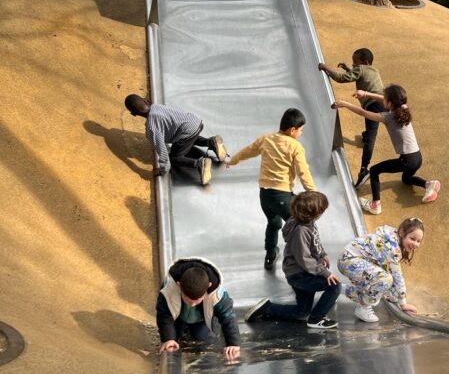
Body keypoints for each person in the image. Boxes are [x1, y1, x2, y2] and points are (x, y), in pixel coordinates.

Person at [226, 108, 315, 270]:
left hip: (265, 196)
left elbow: (248, 151)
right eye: (301, 130)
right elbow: (303, 171)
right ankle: (301, 259)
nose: (301, 134)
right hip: (282, 196)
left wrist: (233, 161)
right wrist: (312, 192)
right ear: (292, 130)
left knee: (273, 223)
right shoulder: (295, 146)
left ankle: (270, 255)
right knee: (300, 225)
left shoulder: (266, 139)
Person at [333, 84, 441, 214]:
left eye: (385, 98)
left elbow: (363, 113)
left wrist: (344, 104)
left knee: (374, 170)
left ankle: (375, 204)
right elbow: (384, 99)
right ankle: (428, 184)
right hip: (417, 157)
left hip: (406, 160)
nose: (382, 99)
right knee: (406, 179)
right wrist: (366, 94)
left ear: (389, 103)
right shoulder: (404, 108)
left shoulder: (387, 117)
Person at [245, 191, 341, 331]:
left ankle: (267, 308)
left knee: (302, 313)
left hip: (304, 272)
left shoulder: (308, 222)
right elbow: (304, 259)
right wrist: (324, 272)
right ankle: (316, 319)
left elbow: (314, 242)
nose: (322, 214)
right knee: (334, 286)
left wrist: (322, 254)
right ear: (313, 213)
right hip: (300, 275)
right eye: (321, 211)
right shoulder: (300, 231)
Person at [124, 93, 227, 186]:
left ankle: (200, 163)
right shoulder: (157, 107)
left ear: (133, 114)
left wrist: (162, 170)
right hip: (196, 122)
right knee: (186, 139)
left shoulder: (151, 128)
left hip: (186, 132)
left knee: (174, 158)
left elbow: (163, 151)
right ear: (146, 101)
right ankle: (211, 142)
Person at [319, 48, 384, 188]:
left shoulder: (360, 69)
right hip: (382, 102)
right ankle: (366, 136)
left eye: (355, 62)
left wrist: (326, 68)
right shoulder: (373, 70)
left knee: (371, 136)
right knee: (372, 131)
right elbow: (360, 76)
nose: (353, 64)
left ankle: (364, 169)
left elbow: (341, 79)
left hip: (372, 105)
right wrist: (348, 69)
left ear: (364, 62)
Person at [338, 217, 424, 323]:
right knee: (385, 280)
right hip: (350, 261)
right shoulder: (391, 248)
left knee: (375, 288)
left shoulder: (391, 236)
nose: (416, 244)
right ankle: (363, 307)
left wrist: (393, 296)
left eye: (419, 241)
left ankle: (339, 289)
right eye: (412, 239)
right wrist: (403, 303)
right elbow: (397, 276)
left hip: (349, 260)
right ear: (402, 233)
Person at [156, 257, 240, 363]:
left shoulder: (217, 295)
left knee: (201, 336)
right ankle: (181, 329)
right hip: (178, 317)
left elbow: (228, 317)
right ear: (179, 285)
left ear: (208, 286)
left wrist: (233, 343)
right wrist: (168, 338)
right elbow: (164, 315)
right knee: (175, 336)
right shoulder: (168, 289)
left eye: (197, 300)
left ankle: (193, 328)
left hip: (200, 318)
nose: (192, 304)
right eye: (188, 300)